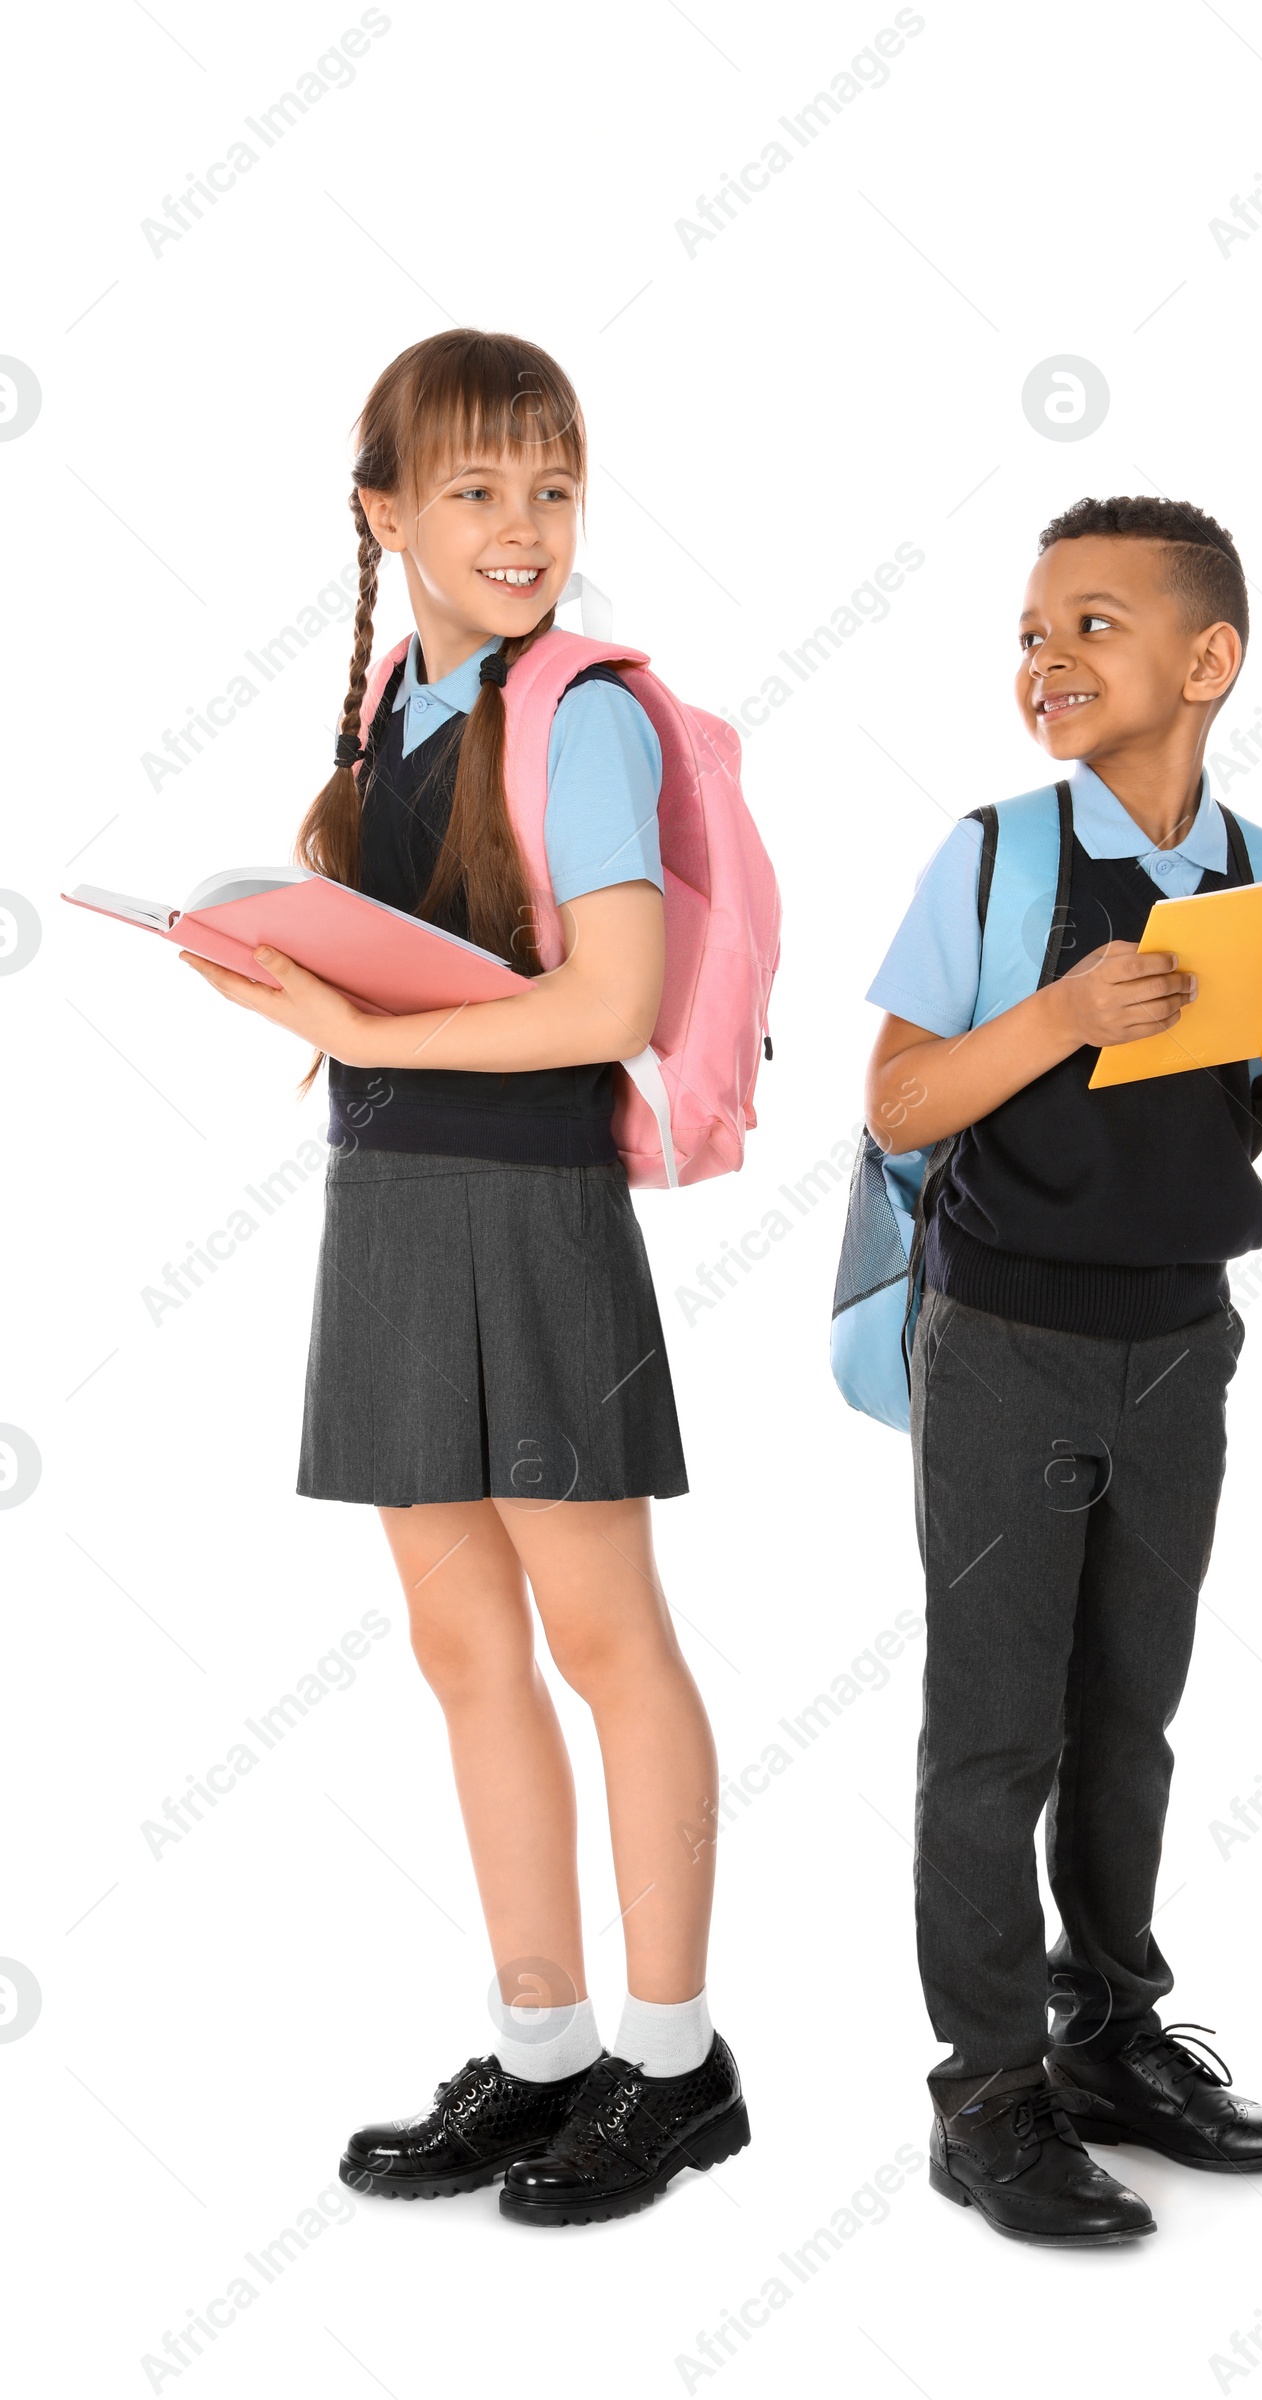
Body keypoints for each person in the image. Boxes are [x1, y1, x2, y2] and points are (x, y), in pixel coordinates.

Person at [182, 330, 747, 2226]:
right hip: (396, 1209)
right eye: (479, 491)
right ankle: (543, 2054)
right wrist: (292, 980)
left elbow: (611, 1004)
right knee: (460, 1649)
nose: (524, 528)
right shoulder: (388, 723)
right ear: (387, 515)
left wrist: (346, 1009)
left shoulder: (570, 709)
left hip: (529, 1213)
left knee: (604, 1640)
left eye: (553, 487)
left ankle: (676, 2069)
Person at [862, 495, 1262, 2245]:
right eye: (1034, 627)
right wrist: (1057, 1018)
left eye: (1093, 624)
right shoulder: (991, 860)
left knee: (1130, 1721)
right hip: (1009, 1345)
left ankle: (1112, 2037)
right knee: (994, 1735)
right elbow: (896, 1102)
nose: (1048, 654)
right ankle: (991, 2090)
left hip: (1181, 1348)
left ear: (1209, 662)